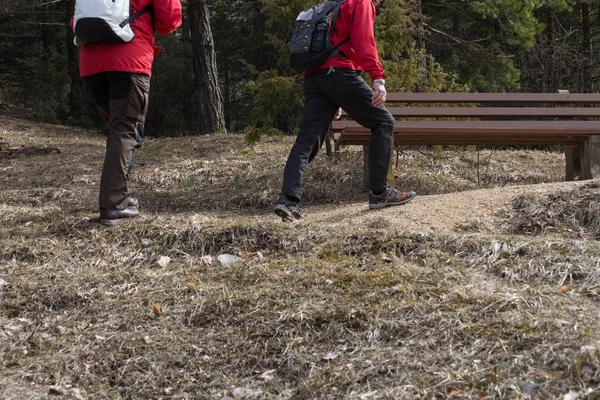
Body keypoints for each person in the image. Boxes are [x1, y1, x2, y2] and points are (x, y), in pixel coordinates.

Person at [274, 0, 416, 222]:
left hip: (315, 77)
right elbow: (363, 40)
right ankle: (379, 193)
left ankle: (287, 200)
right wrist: (377, 78)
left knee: (307, 140)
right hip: (339, 72)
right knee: (383, 122)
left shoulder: (334, 3)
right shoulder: (361, 2)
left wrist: (335, 96)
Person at [74, 0, 182, 225]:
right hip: (129, 60)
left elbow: (76, 19)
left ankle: (119, 195)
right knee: (124, 132)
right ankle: (114, 206)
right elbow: (169, 20)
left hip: (91, 64)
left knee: (119, 132)